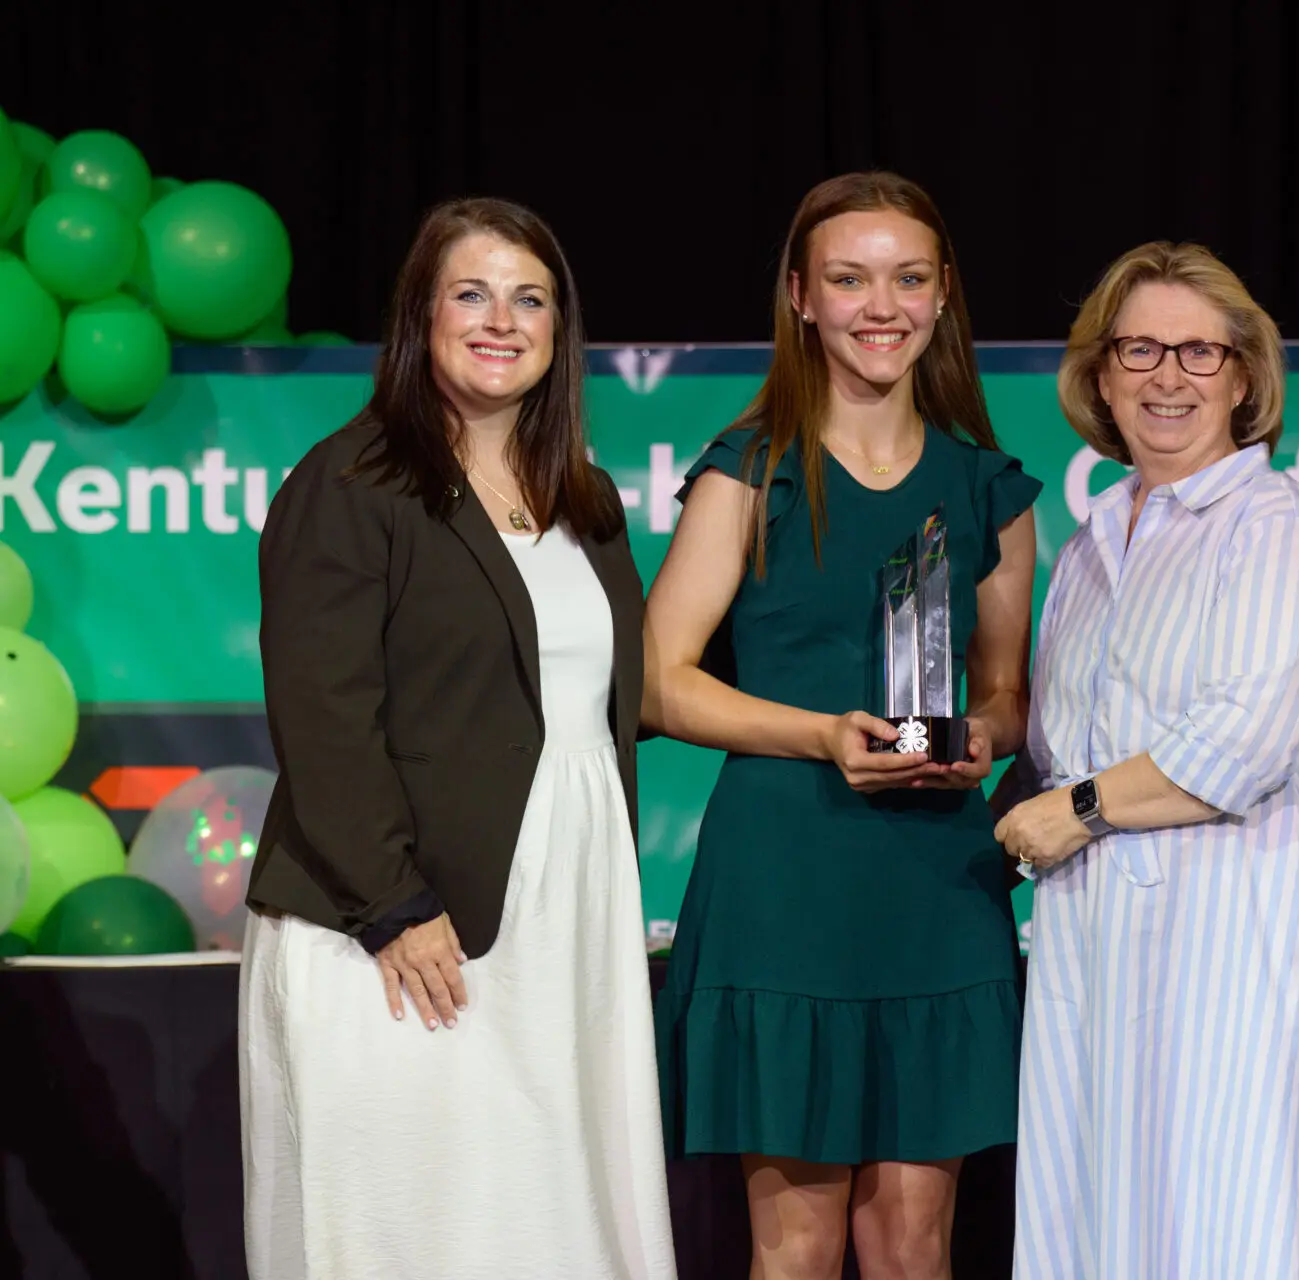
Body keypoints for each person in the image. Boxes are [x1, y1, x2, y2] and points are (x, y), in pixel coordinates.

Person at [239, 197, 676, 1280]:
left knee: (552, 1219)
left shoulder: (584, 498)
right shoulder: (350, 482)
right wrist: (393, 901)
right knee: (414, 1226)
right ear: (420, 316)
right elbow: (325, 716)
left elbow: (597, 702)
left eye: (530, 298)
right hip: (398, 926)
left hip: (563, 910)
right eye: (470, 294)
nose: (502, 320)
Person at [996, 241, 1299, 1278]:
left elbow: (1238, 742)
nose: (1168, 376)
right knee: (1122, 1214)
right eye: (1141, 348)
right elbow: (1060, 737)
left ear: (1244, 376)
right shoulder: (1089, 544)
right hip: (1109, 942)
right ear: (1099, 375)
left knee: (1248, 1216)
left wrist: (1076, 808)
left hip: (1251, 924)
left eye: (1199, 352)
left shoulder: (1274, 525)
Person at [645, 171, 1040, 1280]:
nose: (883, 305)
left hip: (935, 881)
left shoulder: (990, 488)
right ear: (799, 297)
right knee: (799, 1241)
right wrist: (824, 734)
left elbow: (1011, 696)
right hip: (785, 878)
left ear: (944, 295)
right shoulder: (745, 470)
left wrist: (981, 734)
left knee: (915, 1244)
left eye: (909, 278)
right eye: (851, 278)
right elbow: (657, 684)